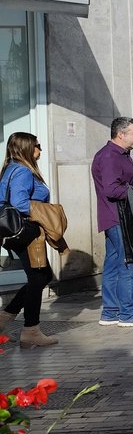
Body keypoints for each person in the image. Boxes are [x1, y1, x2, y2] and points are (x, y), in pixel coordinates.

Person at [91, 117, 133, 327]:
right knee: (130, 262)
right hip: (119, 217)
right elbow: (112, 189)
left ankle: (110, 312)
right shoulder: (111, 155)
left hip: (115, 217)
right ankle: (128, 312)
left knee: (113, 264)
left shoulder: (118, 154)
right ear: (121, 134)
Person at [0, 133, 58, 347]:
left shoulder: (10, 168)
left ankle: (7, 318)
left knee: (41, 275)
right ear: (26, 148)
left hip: (14, 231)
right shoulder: (23, 171)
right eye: (37, 146)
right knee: (38, 277)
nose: (40, 150)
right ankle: (30, 330)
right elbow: (20, 203)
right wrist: (46, 213)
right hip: (26, 230)